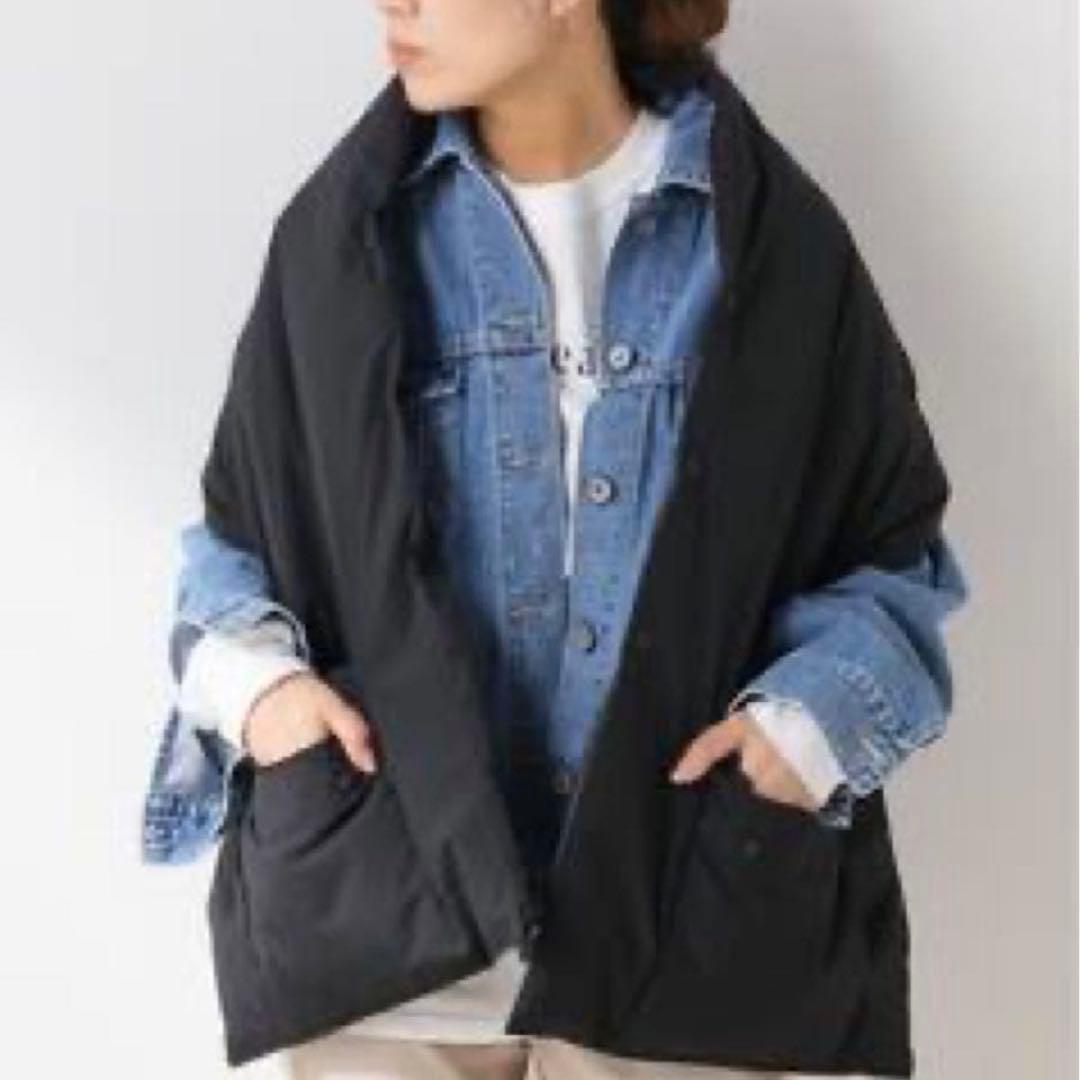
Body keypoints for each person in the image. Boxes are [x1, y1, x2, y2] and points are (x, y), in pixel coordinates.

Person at [140, 0, 970, 1076]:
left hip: (680, 935)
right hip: (395, 944)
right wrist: (263, 697)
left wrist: (802, 737)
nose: (393, 4)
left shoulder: (768, 246)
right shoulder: (343, 238)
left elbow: (889, 553)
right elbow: (240, 538)